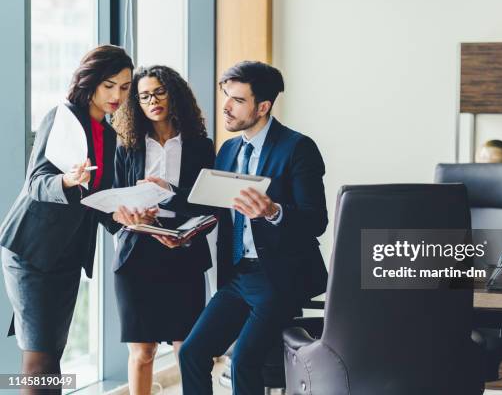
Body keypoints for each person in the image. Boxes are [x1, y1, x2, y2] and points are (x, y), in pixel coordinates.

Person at [0, 45, 148, 393]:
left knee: (52, 353)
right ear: (91, 81)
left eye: (125, 87)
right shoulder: (62, 116)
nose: (117, 95)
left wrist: (128, 212)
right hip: (31, 251)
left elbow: (100, 201)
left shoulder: (109, 134)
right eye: (109, 85)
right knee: (40, 360)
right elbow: (36, 182)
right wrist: (67, 180)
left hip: (66, 256)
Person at [176, 60, 329, 394]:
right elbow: (214, 207)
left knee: (243, 360)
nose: (226, 107)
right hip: (238, 275)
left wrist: (273, 211)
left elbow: (316, 220)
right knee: (192, 352)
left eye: (238, 100)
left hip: (281, 276)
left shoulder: (298, 148)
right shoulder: (229, 150)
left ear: (263, 106)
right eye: (226, 96)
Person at [111, 65, 216, 395]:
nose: (152, 100)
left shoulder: (200, 145)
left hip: (183, 251)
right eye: (143, 96)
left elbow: (208, 204)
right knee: (142, 354)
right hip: (136, 254)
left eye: (159, 92)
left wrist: (170, 190)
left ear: (174, 94)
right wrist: (129, 212)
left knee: (188, 349)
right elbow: (116, 202)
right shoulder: (127, 147)